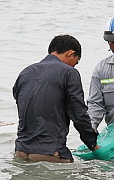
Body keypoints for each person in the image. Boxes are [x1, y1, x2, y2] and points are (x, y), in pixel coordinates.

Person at [13, 34, 99, 163]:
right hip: (51, 153)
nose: (74, 66)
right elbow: (79, 114)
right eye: (76, 62)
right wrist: (93, 144)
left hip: (21, 151)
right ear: (71, 54)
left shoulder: (25, 72)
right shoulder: (69, 73)